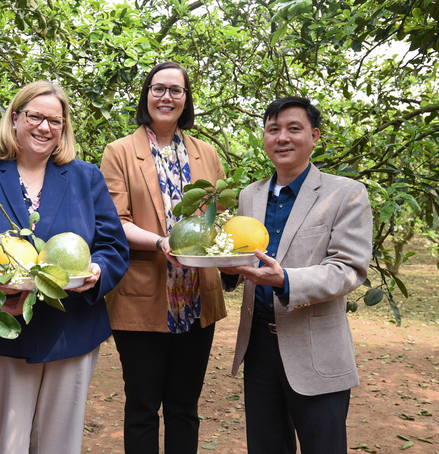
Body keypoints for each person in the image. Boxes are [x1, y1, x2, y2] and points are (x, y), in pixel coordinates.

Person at [0, 80, 129, 454]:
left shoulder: (86, 177)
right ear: (15, 118)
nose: (44, 127)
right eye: (35, 116)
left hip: (72, 331)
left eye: (55, 121)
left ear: (64, 129)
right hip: (1, 331)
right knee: (6, 446)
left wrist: (97, 272)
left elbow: (113, 246)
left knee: (59, 446)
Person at [218, 97, 373, 454]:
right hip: (258, 347)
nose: (282, 137)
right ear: (264, 137)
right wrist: (228, 271)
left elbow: (348, 269)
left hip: (315, 348)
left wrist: (285, 280)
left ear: (314, 136)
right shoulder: (249, 195)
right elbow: (243, 261)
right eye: (274, 129)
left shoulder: (345, 193)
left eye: (294, 128)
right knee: (266, 445)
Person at [100, 61, 227, 454]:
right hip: (143, 299)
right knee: (142, 406)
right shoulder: (119, 152)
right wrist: (160, 242)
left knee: (184, 407)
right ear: (146, 95)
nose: (166, 97)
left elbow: (218, 217)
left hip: (197, 297)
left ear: (186, 99)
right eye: (159, 88)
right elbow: (114, 222)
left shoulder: (206, 153)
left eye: (176, 90)